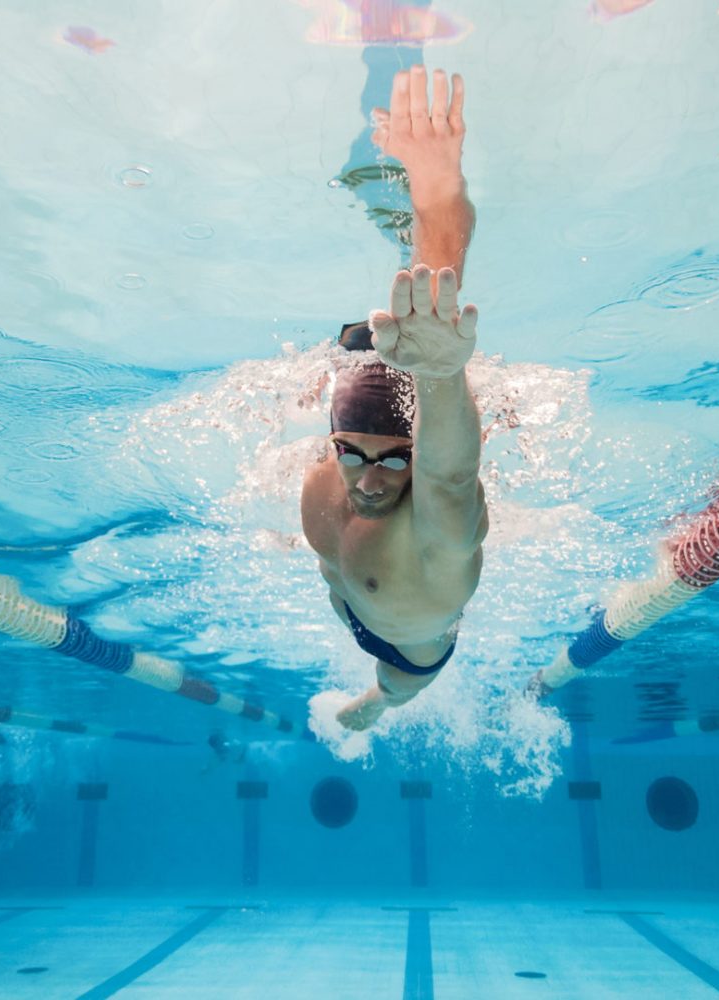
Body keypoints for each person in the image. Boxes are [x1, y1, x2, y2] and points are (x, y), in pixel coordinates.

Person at [301, 66, 487, 731]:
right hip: (354, 600)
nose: (370, 478)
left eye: (395, 460)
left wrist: (437, 187)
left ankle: (380, 708)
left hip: (409, 650)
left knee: (394, 690)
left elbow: (452, 473)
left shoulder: (437, 540)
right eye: (351, 452)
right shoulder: (332, 467)